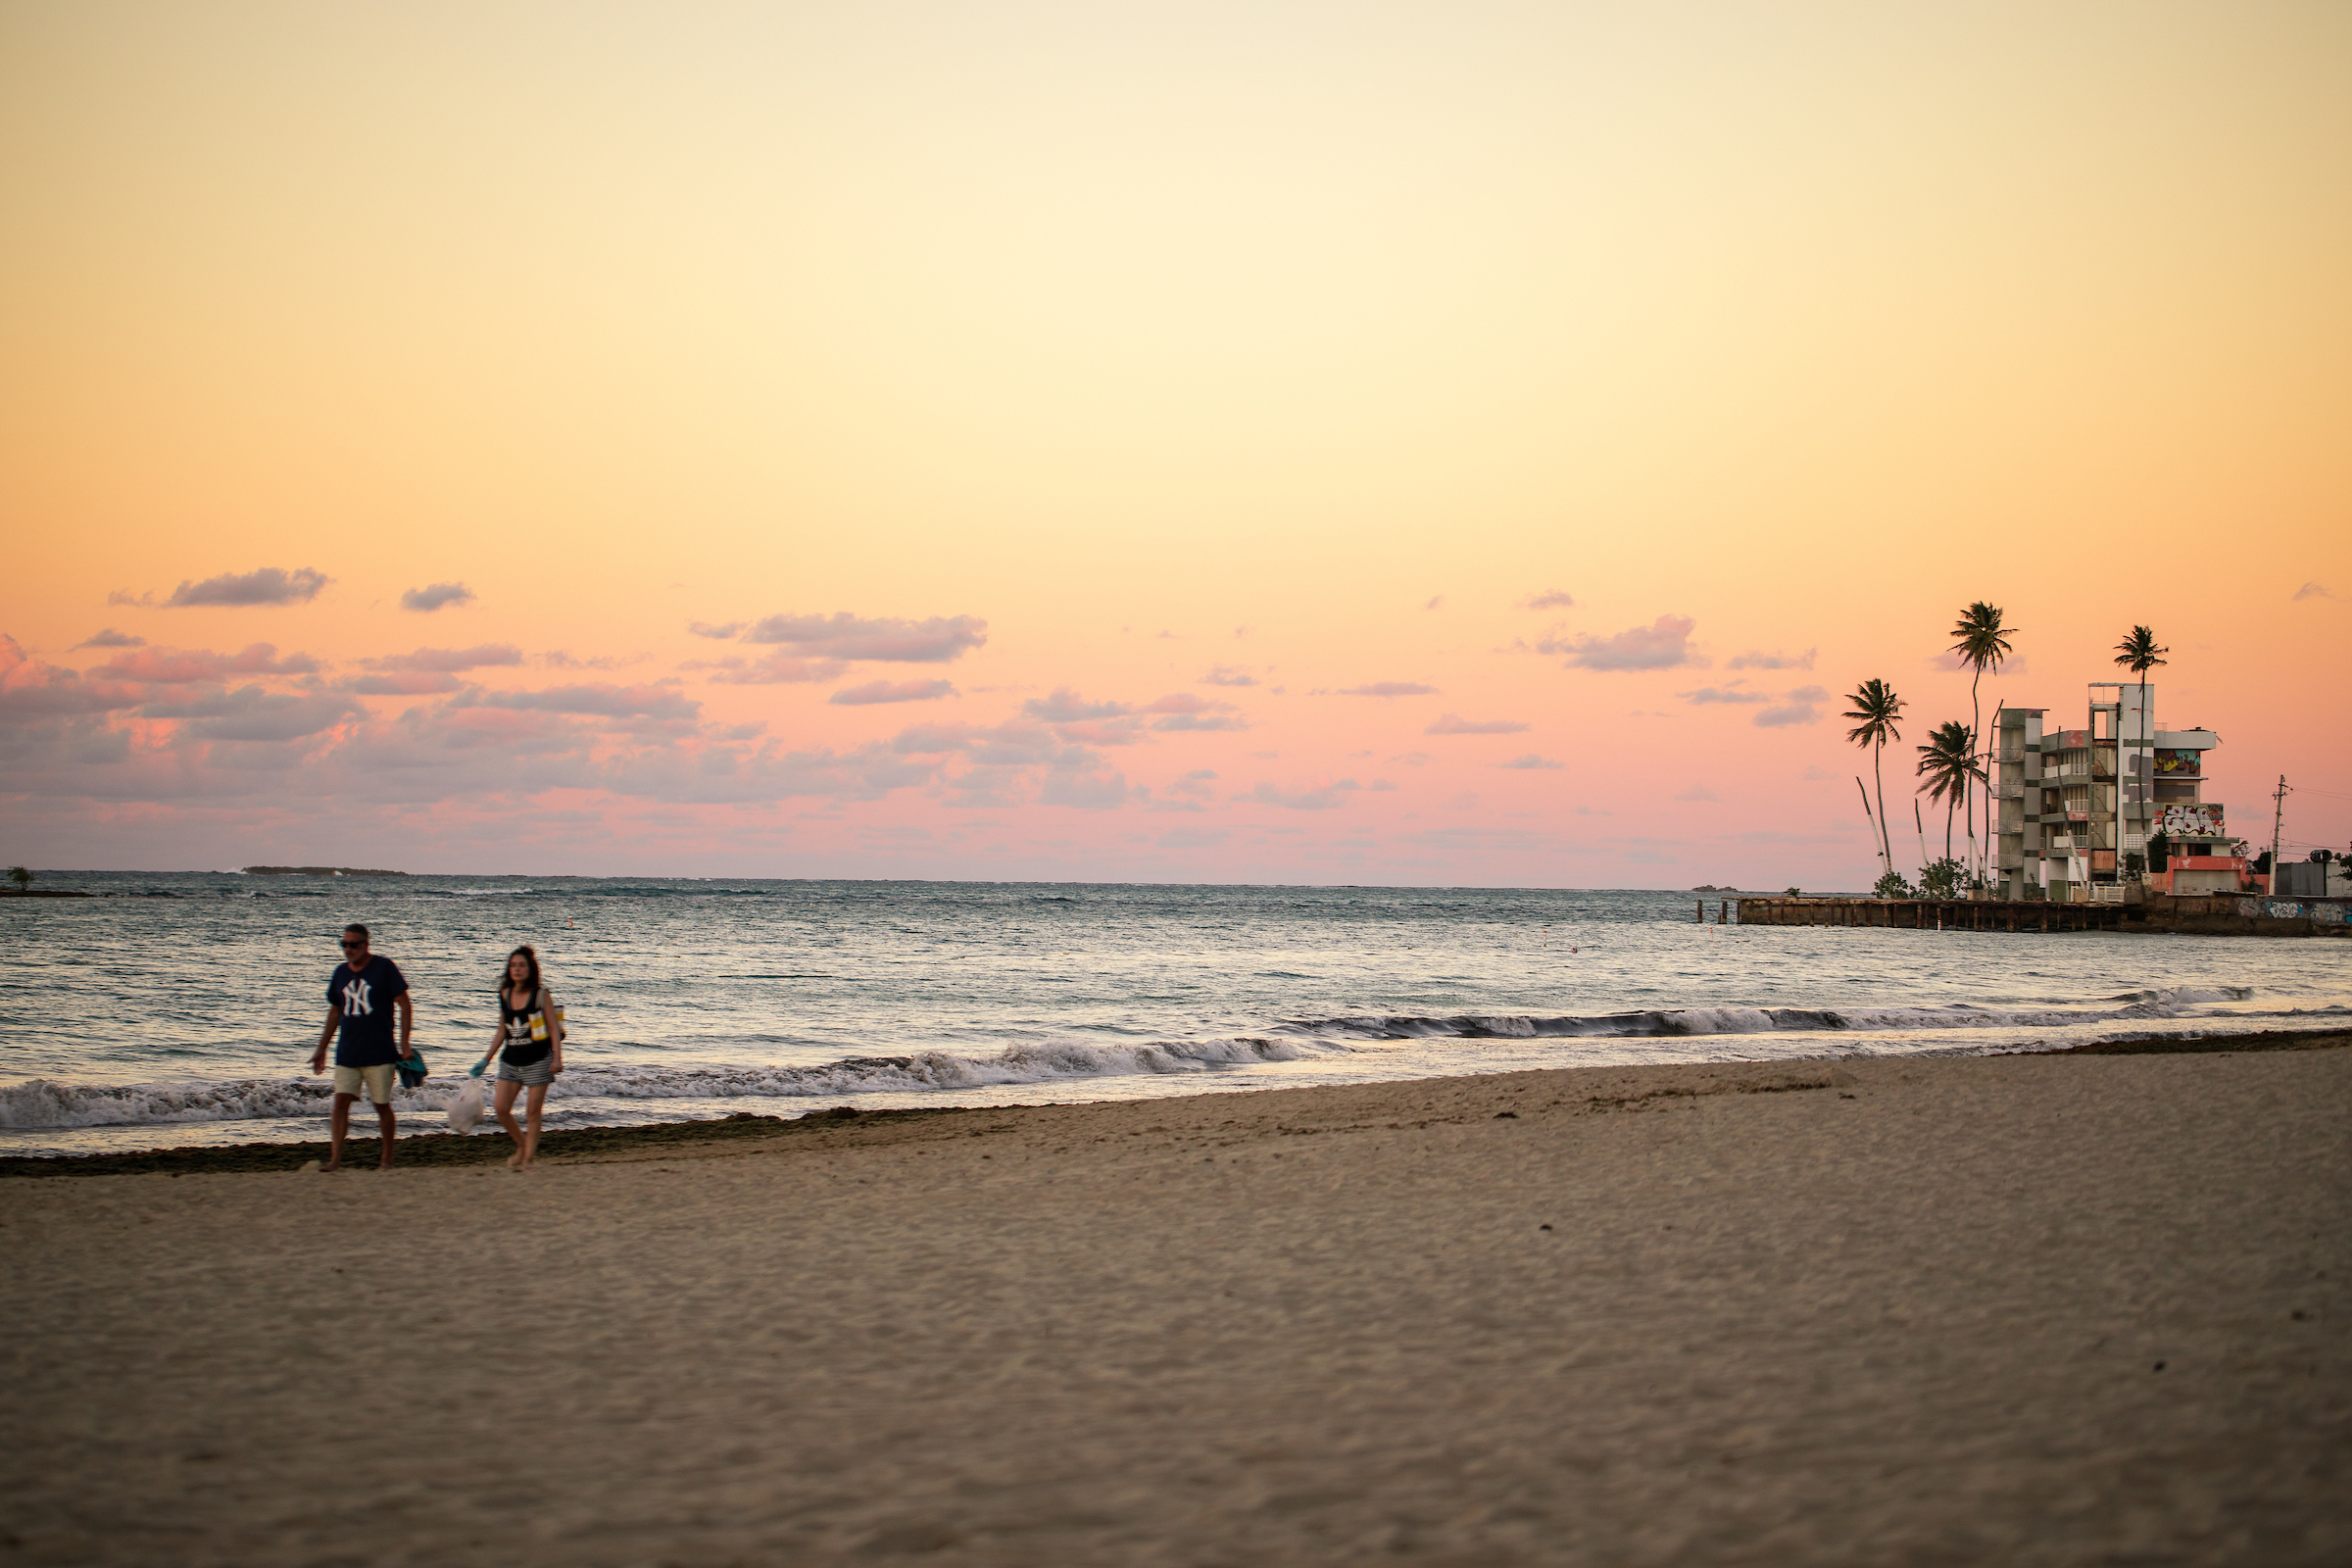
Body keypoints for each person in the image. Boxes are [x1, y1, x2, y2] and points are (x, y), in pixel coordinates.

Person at [309, 923, 414, 1171]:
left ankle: (387, 1160)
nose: (348, 949)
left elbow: (405, 1005)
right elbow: (335, 1011)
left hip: (380, 1052)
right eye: (344, 944)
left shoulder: (384, 968)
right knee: (340, 1103)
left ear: (366, 944)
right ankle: (335, 1159)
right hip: (348, 1052)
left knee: (381, 1105)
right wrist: (321, 1048)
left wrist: (405, 1044)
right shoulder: (340, 973)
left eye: (353, 944)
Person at [478, 944, 564, 1170]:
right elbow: (502, 1030)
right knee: (500, 1109)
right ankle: (521, 1145)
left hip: (539, 1060)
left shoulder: (540, 994)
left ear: (530, 969)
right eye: (513, 965)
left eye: (522, 965)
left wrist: (557, 1058)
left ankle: (528, 1159)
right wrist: (485, 1059)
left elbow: (553, 1028)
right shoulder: (504, 994)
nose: (517, 969)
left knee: (532, 1112)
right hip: (510, 1060)